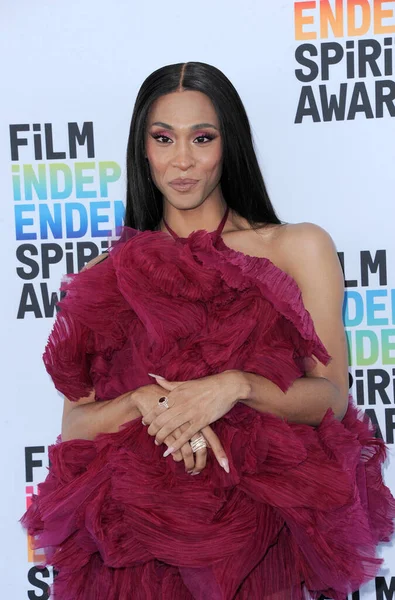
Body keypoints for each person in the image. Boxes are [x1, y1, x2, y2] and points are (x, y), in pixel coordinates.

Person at [20, 61, 395, 600]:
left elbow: (331, 398)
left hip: (259, 534)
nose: (182, 160)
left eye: (202, 138)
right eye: (163, 138)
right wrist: (151, 403)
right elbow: (76, 426)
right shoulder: (108, 275)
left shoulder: (295, 248)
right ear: (142, 148)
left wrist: (233, 386)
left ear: (229, 144)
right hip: (136, 543)